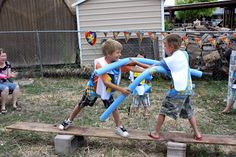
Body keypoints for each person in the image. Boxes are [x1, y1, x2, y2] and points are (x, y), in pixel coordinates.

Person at [59, 39, 149, 137]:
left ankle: (119, 127)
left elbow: (133, 68)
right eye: (117, 52)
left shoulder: (117, 62)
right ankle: (69, 120)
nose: (120, 55)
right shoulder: (100, 64)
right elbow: (106, 82)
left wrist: (148, 68)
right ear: (108, 54)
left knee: (113, 107)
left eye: (120, 52)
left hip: (106, 91)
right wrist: (122, 90)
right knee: (81, 104)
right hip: (94, 88)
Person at [148, 34, 202, 140]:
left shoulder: (169, 60)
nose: (164, 47)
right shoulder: (184, 54)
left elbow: (153, 67)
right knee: (189, 111)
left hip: (177, 90)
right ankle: (197, 133)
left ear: (171, 47)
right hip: (187, 89)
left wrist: (140, 66)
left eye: (164, 45)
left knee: (163, 110)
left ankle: (156, 133)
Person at [0, 48, 21, 114]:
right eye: (2, 56)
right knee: (5, 88)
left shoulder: (7, 63)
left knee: (16, 86)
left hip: (4, 82)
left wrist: (12, 75)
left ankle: (14, 105)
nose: (4, 58)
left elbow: (8, 75)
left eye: (5, 56)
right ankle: (3, 107)